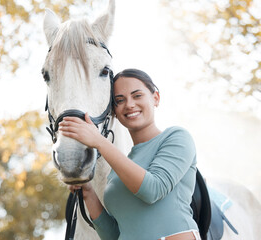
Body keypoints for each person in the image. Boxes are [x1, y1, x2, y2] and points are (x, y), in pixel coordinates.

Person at [59, 68, 201, 240]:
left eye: (137, 95)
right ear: (114, 112)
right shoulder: (117, 172)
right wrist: (88, 192)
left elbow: (153, 189)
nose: (129, 104)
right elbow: (114, 236)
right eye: (120, 100)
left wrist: (98, 141)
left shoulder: (177, 137)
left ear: (155, 98)